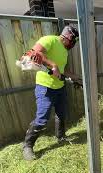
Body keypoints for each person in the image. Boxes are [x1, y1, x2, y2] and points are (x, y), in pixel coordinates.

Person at [23, 25, 80, 161]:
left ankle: (61, 137)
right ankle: (27, 146)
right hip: (45, 87)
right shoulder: (49, 40)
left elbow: (62, 69)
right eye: (73, 41)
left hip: (60, 87)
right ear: (67, 37)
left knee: (61, 114)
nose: (73, 44)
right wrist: (52, 65)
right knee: (42, 118)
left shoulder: (65, 51)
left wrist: (74, 76)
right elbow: (33, 53)